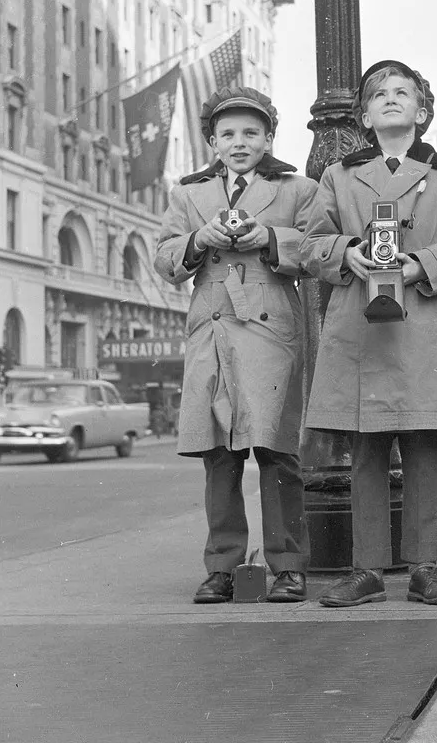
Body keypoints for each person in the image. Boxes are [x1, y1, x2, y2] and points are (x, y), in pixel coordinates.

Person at [301, 60, 437, 607]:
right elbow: (313, 243)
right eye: (378, 93)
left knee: (423, 450)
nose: (389, 99)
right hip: (358, 326)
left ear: (421, 111)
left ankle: (424, 567)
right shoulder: (337, 177)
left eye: (402, 92)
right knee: (365, 450)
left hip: (420, 324)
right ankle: (367, 570)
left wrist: (417, 266)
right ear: (363, 114)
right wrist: (348, 253)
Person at [154, 86, 318, 605]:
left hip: (272, 329)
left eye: (251, 132)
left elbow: (317, 248)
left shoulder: (297, 189)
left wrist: (267, 239)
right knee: (217, 454)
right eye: (228, 134)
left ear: (269, 137)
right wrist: (198, 241)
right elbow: (163, 259)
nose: (240, 142)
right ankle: (221, 567)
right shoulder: (187, 194)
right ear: (213, 142)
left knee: (277, 450)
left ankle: (288, 567)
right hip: (213, 328)